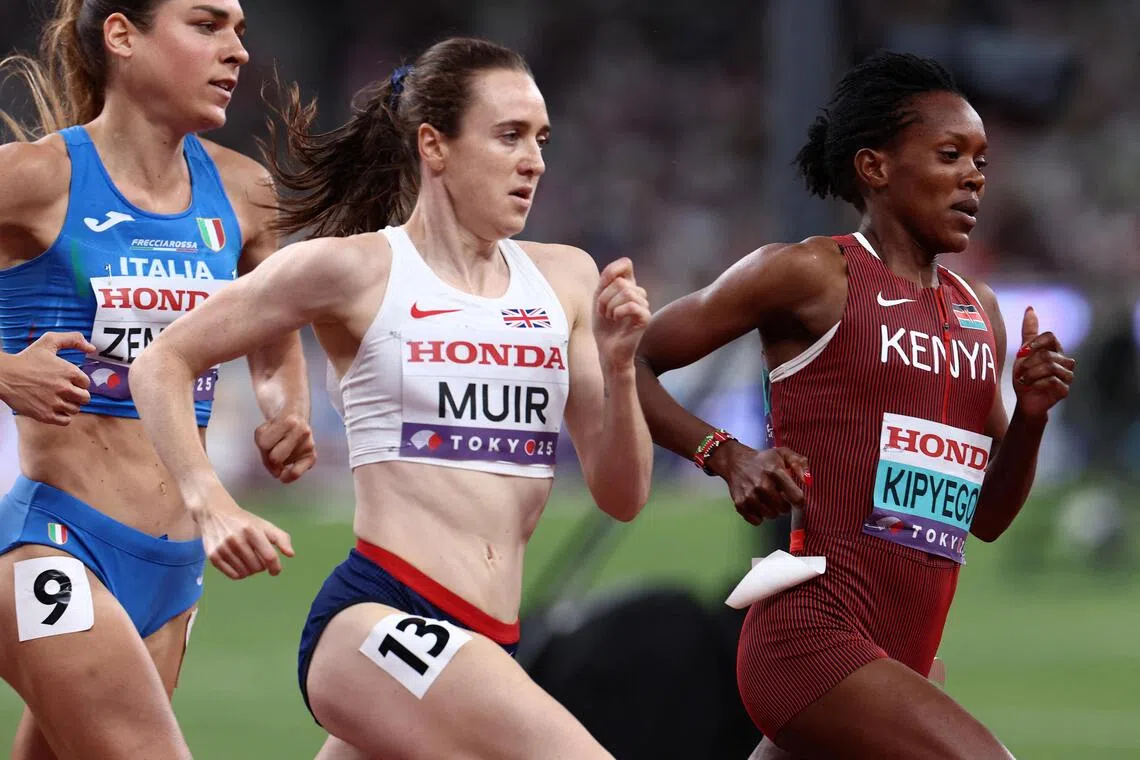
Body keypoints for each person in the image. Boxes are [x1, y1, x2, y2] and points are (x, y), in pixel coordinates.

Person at [131, 36, 654, 760]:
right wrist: (210, 503)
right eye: (508, 136)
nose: (533, 159)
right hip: (378, 618)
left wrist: (621, 368)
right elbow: (162, 360)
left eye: (540, 139)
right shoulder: (355, 271)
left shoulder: (565, 278)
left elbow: (622, 494)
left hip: (486, 643)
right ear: (434, 146)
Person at [635, 51, 1075, 759]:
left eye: (982, 161)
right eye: (950, 154)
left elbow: (986, 518)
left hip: (898, 659)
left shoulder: (979, 313)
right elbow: (635, 361)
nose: (974, 177)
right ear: (874, 168)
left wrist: (1029, 415)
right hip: (811, 641)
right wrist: (726, 456)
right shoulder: (813, 273)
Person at [0, 1, 314, 758]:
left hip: (174, 569)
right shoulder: (39, 177)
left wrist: (287, 407)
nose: (236, 49)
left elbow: (273, 336)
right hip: (55, 543)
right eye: (207, 25)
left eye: (239, 29)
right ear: (122, 36)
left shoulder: (244, 193)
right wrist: (5, 372)